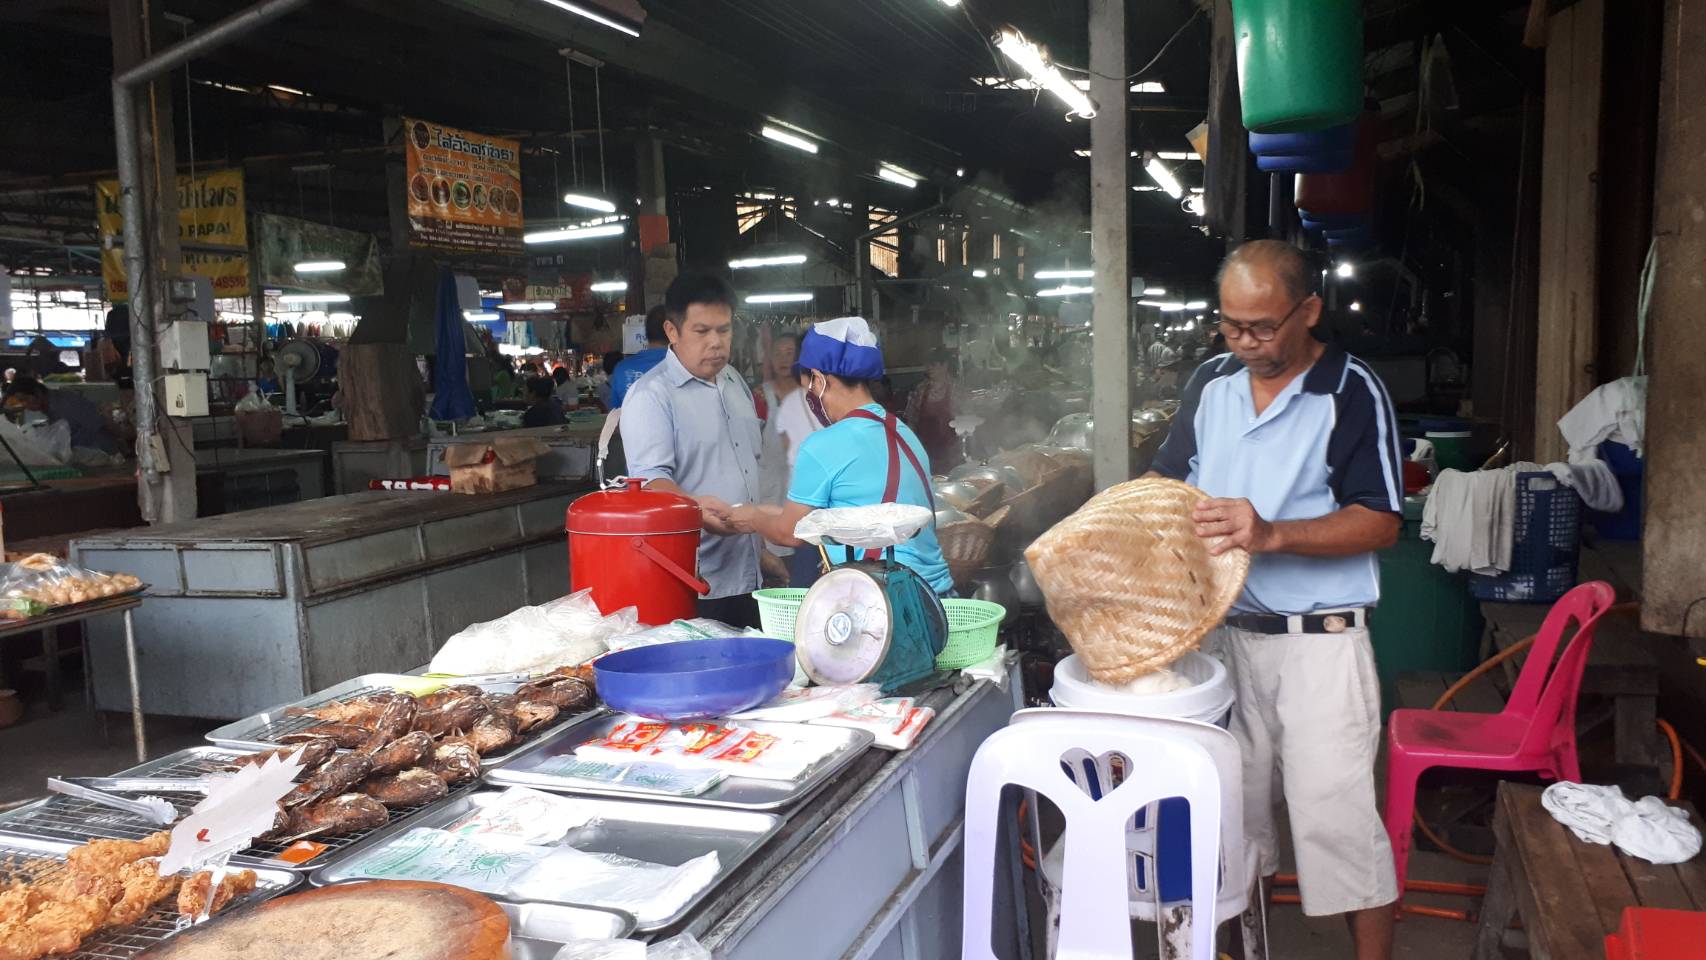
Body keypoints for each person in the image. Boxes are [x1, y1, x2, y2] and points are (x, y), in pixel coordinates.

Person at [1150, 239, 1402, 960]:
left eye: (1262, 327)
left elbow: (1381, 520)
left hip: (1320, 646)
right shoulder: (1211, 383)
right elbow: (1167, 483)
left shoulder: (1350, 390)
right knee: (1229, 824)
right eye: (1231, 325)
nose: (1245, 343)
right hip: (1224, 642)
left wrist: (1272, 533)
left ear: (1309, 310)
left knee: (1339, 828)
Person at [730, 317, 953, 597]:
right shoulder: (903, 432)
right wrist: (760, 511)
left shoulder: (824, 444)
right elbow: (828, 513)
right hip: (936, 598)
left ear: (820, 380)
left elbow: (789, 533)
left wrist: (752, 518)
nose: (810, 397)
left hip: (887, 603)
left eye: (809, 388)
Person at [619, 273, 764, 627]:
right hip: (697, 582)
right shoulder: (651, 396)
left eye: (724, 330)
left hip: (750, 573)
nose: (716, 342)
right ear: (672, 331)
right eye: (702, 331)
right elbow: (650, 482)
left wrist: (762, 551)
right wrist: (695, 509)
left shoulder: (734, 381)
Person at [3, 377, 120, 454]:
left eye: (24, 399)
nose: (24, 404)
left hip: (101, 455)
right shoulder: (49, 408)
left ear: (37, 393)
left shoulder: (66, 403)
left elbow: (101, 426)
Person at [903, 349, 961, 471]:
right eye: (927, 365)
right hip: (924, 451)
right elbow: (911, 420)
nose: (929, 368)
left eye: (933, 365)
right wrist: (911, 445)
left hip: (950, 453)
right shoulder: (920, 389)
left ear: (945, 365)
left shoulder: (956, 388)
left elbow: (963, 420)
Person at [607, 305, 671, 411]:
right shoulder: (683, 366)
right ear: (672, 330)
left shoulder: (621, 369)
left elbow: (615, 413)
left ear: (645, 332)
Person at [755, 333, 801, 423]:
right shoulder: (761, 396)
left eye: (789, 353)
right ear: (771, 359)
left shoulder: (812, 395)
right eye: (777, 354)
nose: (783, 359)